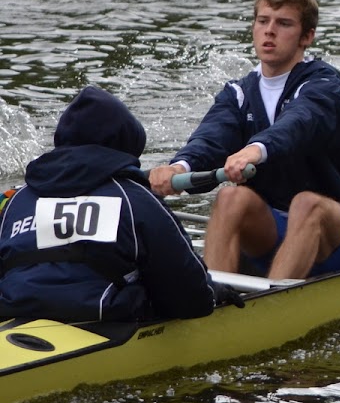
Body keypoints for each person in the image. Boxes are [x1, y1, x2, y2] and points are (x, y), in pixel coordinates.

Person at [150, 0, 340, 278]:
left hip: (335, 238)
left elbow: (298, 122)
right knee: (230, 198)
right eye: (263, 21)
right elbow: (211, 137)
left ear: (307, 37)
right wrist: (178, 167)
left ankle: (271, 299)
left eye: (284, 23)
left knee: (306, 202)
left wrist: (254, 150)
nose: (269, 31)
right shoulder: (239, 93)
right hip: (270, 231)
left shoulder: (323, 84)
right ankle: (214, 295)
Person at [0, 87, 224, 322]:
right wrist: (212, 292)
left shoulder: (13, 201)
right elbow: (191, 299)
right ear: (125, 147)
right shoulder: (135, 199)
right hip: (103, 320)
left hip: (12, 313)